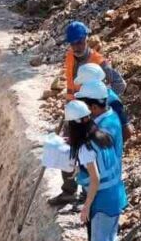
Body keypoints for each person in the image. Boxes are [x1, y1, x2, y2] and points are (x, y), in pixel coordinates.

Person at [50, 20, 127, 206]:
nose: (77, 46)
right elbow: (71, 85)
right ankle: (68, 191)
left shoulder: (99, 63)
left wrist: (101, 103)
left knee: (89, 153)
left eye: (80, 42)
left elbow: (120, 84)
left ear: (86, 39)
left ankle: (87, 193)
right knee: (67, 150)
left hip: (89, 116)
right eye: (73, 43)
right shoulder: (69, 57)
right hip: (73, 112)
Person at [63, 99, 127, 241]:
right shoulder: (102, 135)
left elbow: (95, 179)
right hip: (116, 194)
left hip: (102, 198)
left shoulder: (85, 148)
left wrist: (86, 206)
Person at [71, 80, 126, 241]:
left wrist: (86, 205)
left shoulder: (106, 126)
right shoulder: (103, 123)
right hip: (107, 190)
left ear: (94, 106)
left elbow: (96, 174)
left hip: (103, 193)